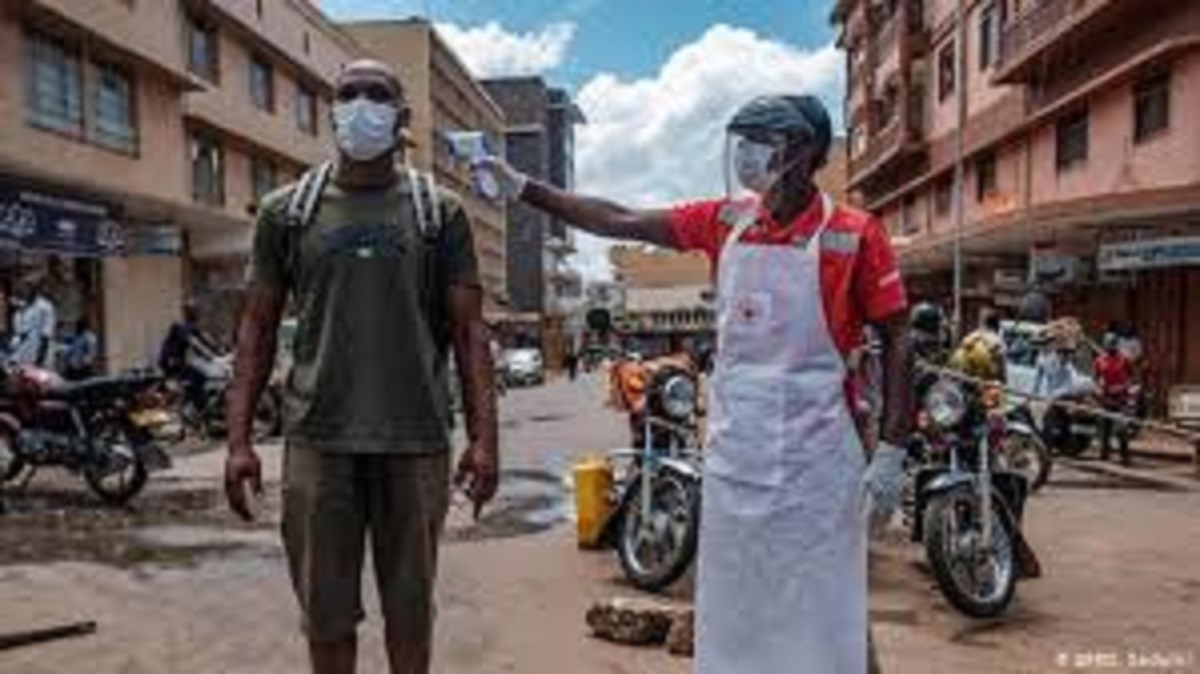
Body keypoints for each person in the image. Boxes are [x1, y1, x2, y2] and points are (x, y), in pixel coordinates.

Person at [479, 94, 912, 673]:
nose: (749, 154)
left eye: (765, 140)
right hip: (736, 465)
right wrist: (524, 188)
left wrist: (890, 452)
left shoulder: (854, 234)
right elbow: (620, 219)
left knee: (826, 616)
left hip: (817, 469)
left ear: (805, 151)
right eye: (746, 140)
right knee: (738, 618)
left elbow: (900, 338)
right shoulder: (727, 220)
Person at [224, 60, 499, 674]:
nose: (361, 105)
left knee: (410, 616)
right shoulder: (286, 212)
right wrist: (237, 441)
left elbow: (469, 333)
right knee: (325, 620)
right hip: (318, 443)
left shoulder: (439, 212)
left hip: (416, 441)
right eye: (349, 94)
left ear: (402, 119)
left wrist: (486, 441)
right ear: (332, 112)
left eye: (378, 94)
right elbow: (256, 330)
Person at [159, 303, 220, 404]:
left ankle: (193, 403)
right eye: (196, 312)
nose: (198, 316)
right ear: (190, 314)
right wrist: (210, 356)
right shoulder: (180, 327)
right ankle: (193, 404)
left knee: (199, 376)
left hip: (177, 362)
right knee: (198, 377)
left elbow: (204, 339)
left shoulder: (191, 327)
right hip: (171, 362)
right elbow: (194, 343)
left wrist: (219, 351)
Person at [1095, 333, 1135, 466]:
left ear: (1117, 345)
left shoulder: (1124, 360)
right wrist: (1098, 388)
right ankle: (1104, 456)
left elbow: (1132, 379)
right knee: (1104, 430)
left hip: (1121, 399)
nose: (1110, 346)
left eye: (1112, 344)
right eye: (1107, 344)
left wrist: (1124, 388)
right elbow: (1095, 378)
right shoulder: (1099, 360)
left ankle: (1125, 456)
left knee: (1121, 429)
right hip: (1105, 399)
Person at [8, 277, 57, 369]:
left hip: (40, 358)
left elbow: (46, 336)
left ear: (35, 289)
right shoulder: (22, 309)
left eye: (29, 287)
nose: (25, 291)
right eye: (23, 288)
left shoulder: (45, 307)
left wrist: (39, 360)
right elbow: (20, 335)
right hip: (23, 357)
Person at [950, 308, 1007, 383]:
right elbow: (1001, 373)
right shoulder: (998, 342)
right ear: (997, 326)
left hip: (963, 376)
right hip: (982, 382)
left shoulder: (973, 335)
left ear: (984, 323)